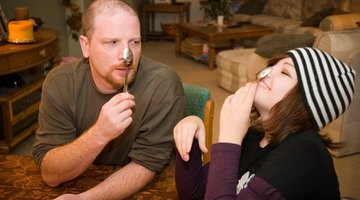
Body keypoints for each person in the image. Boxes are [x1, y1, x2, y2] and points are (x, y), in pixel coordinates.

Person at [32, 0, 184, 199]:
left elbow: (147, 164)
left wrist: (86, 199)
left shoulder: (163, 85)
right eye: (112, 42)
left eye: (134, 42)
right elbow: (51, 174)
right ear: (85, 46)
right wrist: (100, 133)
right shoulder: (60, 82)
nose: (125, 55)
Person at [174, 47, 356, 200]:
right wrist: (191, 138)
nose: (265, 73)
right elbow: (194, 195)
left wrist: (229, 140)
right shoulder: (255, 133)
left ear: (307, 100)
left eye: (284, 72)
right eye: (271, 66)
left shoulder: (303, 154)